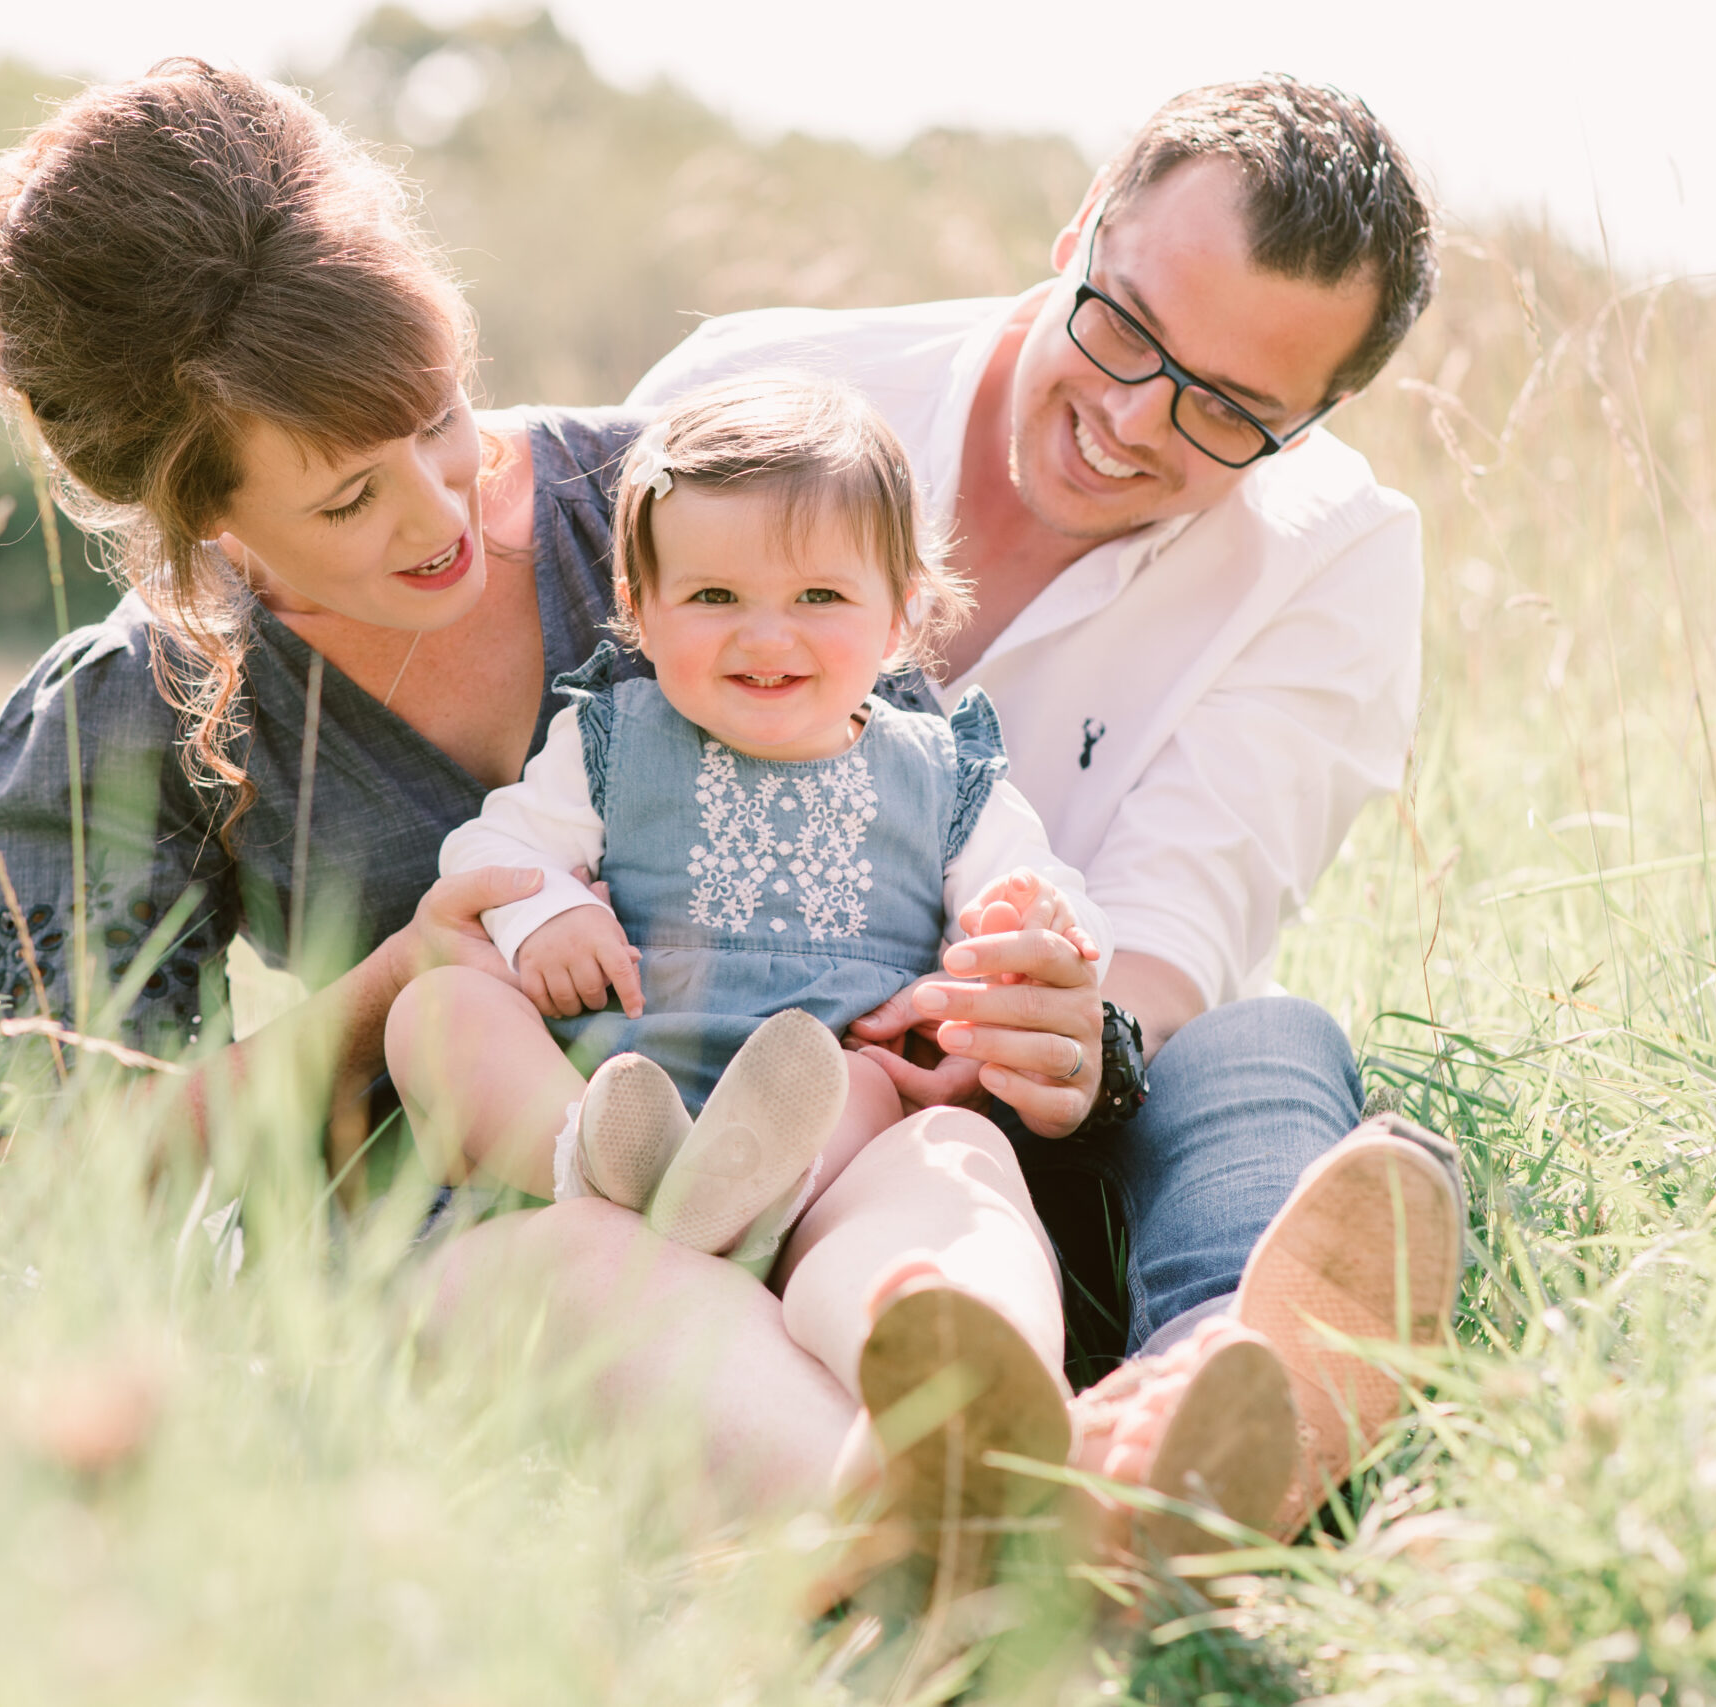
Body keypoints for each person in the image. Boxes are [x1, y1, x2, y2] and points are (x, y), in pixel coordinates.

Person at [0, 61, 1295, 1565]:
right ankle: (1048, 1540)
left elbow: (927, 807)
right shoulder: (117, 721)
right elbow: (62, 1180)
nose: (440, 508)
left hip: (838, 1145)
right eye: (346, 500)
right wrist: (396, 983)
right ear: (198, 516)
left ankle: (1020, 1506)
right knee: (600, 1268)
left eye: (442, 414)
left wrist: (1041, 1008)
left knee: (973, 1174)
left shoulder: (685, 505)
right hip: (501, 1239)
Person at [628, 74, 1466, 1537]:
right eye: (1124, 325)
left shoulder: (1334, 554)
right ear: (1082, 224)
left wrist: (1064, 1026)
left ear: (1318, 419)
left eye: (1227, 411)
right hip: (700, 1065)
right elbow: (580, 734)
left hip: (1031, 1109)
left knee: (1269, 1037)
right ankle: (1115, 1480)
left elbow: (1178, 930)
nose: (1134, 419)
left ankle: (1224, 1401)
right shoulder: (754, 391)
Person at [388, 374, 1160, 1552]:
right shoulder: (606, 741)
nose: (765, 634)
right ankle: (605, 1171)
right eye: (711, 595)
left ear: (900, 617)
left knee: (939, 1145)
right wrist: (543, 913)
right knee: (438, 1008)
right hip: (621, 1098)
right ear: (639, 610)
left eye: (817, 595)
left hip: (828, 1146)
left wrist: (1026, 930)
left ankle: (973, 1368)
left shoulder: (943, 776)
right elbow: (490, 853)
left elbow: (1055, 910)